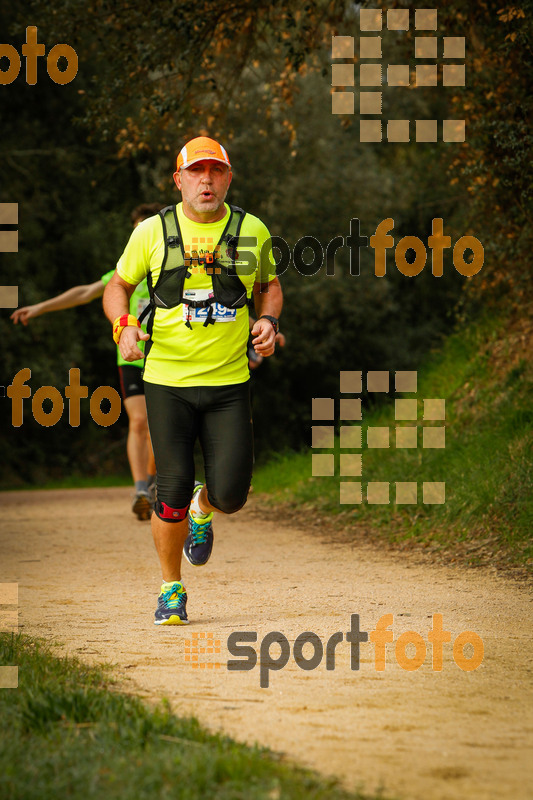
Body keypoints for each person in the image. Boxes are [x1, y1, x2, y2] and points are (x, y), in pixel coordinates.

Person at [103, 136, 283, 625]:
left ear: (228, 178)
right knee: (171, 492)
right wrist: (125, 328)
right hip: (166, 382)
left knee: (232, 496)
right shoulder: (152, 232)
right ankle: (171, 590)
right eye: (196, 172)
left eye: (216, 171)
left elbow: (270, 287)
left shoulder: (253, 231)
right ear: (178, 180)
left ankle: (207, 506)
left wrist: (268, 322)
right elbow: (117, 287)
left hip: (228, 384)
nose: (207, 180)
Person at [10, 203, 164, 520]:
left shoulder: (173, 270)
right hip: (133, 357)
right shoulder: (124, 274)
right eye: (135, 227)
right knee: (138, 422)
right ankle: (140, 489)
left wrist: (263, 325)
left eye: (145, 227)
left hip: (169, 358)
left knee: (159, 429)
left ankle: (153, 483)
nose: (139, 232)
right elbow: (83, 293)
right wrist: (38, 308)